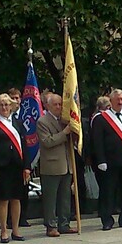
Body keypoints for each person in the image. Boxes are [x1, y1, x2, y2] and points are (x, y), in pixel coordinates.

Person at [0, 93, 30, 243]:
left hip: (16, 166)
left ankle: (16, 230)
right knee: (3, 199)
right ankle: (4, 230)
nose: (4, 107)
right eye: (1, 105)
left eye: (6, 105)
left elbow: (25, 145)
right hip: (1, 166)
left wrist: (27, 167)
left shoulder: (18, 122)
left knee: (16, 198)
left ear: (11, 106)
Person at [91, 87, 122, 230]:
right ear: (110, 101)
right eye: (117, 99)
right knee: (108, 191)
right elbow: (97, 141)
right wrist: (100, 160)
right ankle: (107, 220)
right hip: (109, 162)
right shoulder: (101, 119)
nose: (120, 102)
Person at [37, 92, 73, 234]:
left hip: (66, 164)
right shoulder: (42, 121)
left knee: (65, 197)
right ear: (47, 106)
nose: (58, 107)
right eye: (55, 104)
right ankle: (51, 225)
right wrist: (64, 133)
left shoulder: (65, 120)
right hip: (51, 166)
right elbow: (48, 142)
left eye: (60, 104)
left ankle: (64, 223)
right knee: (51, 198)